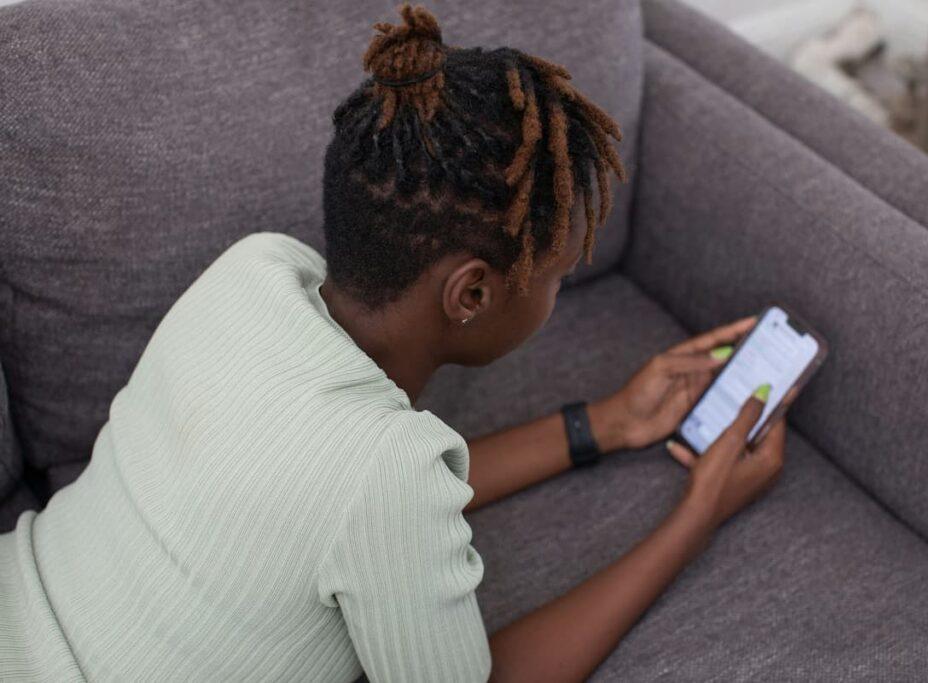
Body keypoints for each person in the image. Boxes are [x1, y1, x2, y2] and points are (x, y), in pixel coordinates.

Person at [0, 4, 785, 681]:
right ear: (471, 293)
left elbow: (352, 502)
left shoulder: (252, 268)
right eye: (553, 272)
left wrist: (607, 423)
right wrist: (698, 515)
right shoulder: (384, 474)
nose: (559, 288)